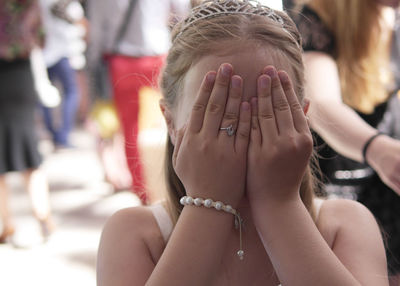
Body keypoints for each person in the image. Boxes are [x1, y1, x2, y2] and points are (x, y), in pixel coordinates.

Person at [96, 1, 389, 285]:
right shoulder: (134, 234)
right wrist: (208, 204)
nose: (243, 136)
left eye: (269, 114)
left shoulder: (346, 225)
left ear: (302, 121)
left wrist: (279, 205)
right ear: (170, 123)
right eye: (219, 117)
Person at [292, 0, 400, 282]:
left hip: (385, 175)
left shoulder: (391, 16)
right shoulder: (314, 19)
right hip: (338, 171)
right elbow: (322, 104)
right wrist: (377, 149)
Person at [87, 0, 189, 204]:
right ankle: (179, 184)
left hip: (121, 61)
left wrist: (91, 64)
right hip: (159, 56)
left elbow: (96, 30)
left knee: (130, 129)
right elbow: (181, 13)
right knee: (174, 121)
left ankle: (143, 193)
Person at [0, 0, 54, 243]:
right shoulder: (28, 4)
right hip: (20, 76)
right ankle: (43, 216)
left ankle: (6, 223)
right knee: (29, 149)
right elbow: (41, 40)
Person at [39, 0, 85, 148]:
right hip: (63, 53)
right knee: (71, 92)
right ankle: (62, 135)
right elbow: (76, 29)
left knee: (46, 94)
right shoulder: (66, 5)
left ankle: (55, 134)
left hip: (45, 52)